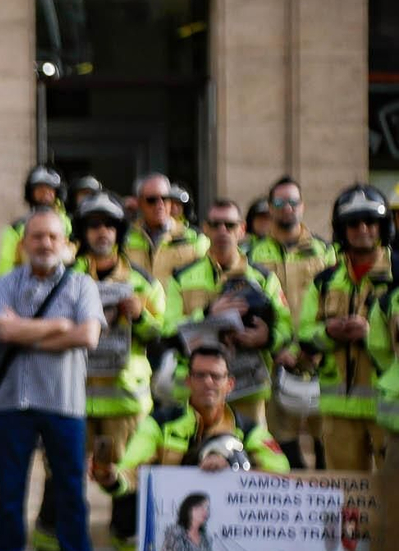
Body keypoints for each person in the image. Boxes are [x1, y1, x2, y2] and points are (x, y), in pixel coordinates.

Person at [32, 192, 165, 551]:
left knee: (125, 480)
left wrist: (139, 316)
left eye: (108, 225)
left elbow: (161, 331)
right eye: (93, 225)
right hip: (71, 396)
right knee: (61, 477)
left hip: (123, 402)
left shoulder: (142, 281)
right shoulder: (66, 277)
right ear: (83, 233)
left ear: (119, 232)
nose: (101, 232)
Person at [0, 208, 105, 551]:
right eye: (37, 237)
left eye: (53, 237)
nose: (45, 244)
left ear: (66, 244)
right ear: (23, 244)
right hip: (11, 403)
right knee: (10, 496)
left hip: (63, 403)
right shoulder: (3, 284)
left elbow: (87, 335)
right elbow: (4, 329)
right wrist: (57, 327)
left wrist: (27, 334)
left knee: (71, 492)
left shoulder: (82, 285)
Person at [93, 344, 290, 495]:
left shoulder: (248, 429)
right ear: (188, 381)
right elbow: (130, 470)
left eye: (215, 376)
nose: (207, 382)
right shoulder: (160, 423)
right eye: (200, 375)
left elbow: (281, 471)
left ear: (229, 384)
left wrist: (232, 464)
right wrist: (111, 478)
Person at [164, 198, 292, 426]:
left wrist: (267, 338)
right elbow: (167, 331)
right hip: (196, 391)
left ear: (242, 230)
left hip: (248, 387)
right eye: (215, 225)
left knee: (250, 456)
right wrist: (206, 314)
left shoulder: (263, 279)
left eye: (230, 225)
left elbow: (285, 327)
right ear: (205, 229)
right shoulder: (181, 278)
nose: (222, 231)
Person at [299, 186, 392, 472]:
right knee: (346, 498)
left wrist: (371, 334)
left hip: (390, 410)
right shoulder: (324, 281)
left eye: (370, 221)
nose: (362, 228)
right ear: (341, 229)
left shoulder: (397, 275)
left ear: (383, 227)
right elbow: (303, 334)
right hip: (338, 411)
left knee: (393, 497)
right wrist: (328, 333)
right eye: (353, 222)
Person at [247, 176, 335, 468]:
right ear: (270, 208)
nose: (288, 208)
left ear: (303, 207)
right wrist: (275, 347)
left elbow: (333, 304)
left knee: (326, 442)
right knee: (282, 446)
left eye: (293, 202)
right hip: (274, 360)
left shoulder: (325, 253)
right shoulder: (252, 254)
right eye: (280, 202)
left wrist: (314, 346)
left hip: (319, 359)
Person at [124, 173, 207, 285]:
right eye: (152, 200)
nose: (160, 204)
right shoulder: (124, 238)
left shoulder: (195, 238)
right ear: (139, 203)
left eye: (165, 198)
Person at [0, 164, 68, 275]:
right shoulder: (16, 228)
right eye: (40, 189)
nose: (45, 194)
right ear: (30, 193)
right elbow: (5, 267)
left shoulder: (68, 224)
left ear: (57, 193)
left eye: (49, 189)